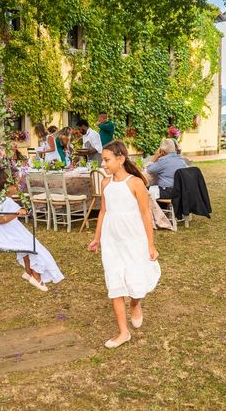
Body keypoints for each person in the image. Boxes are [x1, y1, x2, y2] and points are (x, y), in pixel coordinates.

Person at [88, 141, 161, 349]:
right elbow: (103, 211)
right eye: (103, 159)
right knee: (115, 283)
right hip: (112, 240)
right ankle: (123, 332)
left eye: (107, 159)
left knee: (136, 283)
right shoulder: (105, 184)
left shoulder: (135, 183)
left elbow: (146, 215)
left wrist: (150, 245)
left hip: (133, 238)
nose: (103, 164)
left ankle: (136, 303)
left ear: (120, 159)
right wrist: (97, 237)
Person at [0, 168, 64, 292]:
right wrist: (17, 213)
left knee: (27, 243)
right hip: (5, 233)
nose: (18, 187)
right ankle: (36, 277)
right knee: (35, 248)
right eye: (16, 184)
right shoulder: (6, 201)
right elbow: (1, 220)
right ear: (8, 187)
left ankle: (28, 271)